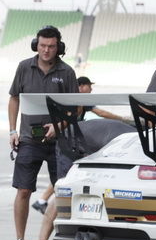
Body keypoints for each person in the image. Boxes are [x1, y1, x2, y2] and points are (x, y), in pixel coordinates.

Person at [7, 25, 79, 240]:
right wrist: (12, 130)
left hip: (59, 142)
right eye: (42, 45)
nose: (46, 50)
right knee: (24, 191)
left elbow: (76, 109)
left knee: (60, 191)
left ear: (59, 47)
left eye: (51, 46)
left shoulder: (67, 72)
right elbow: (14, 99)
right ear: (35, 44)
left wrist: (58, 127)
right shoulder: (23, 67)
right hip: (28, 139)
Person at [31, 118, 135, 240]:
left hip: (91, 143)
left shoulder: (133, 139)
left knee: (105, 193)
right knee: (64, 192)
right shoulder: (130, 144)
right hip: (70, 141)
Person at [31, 76, 129, 215]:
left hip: (69, 139)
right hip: (69, 141)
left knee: (63, 174)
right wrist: (122, 119)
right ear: (82, 86)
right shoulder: (80, 99)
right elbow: (101, 113)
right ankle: (49, 203)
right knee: (66, 175)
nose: (91, 89)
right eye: (90, 86)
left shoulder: (75, 99)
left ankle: (42, 201)